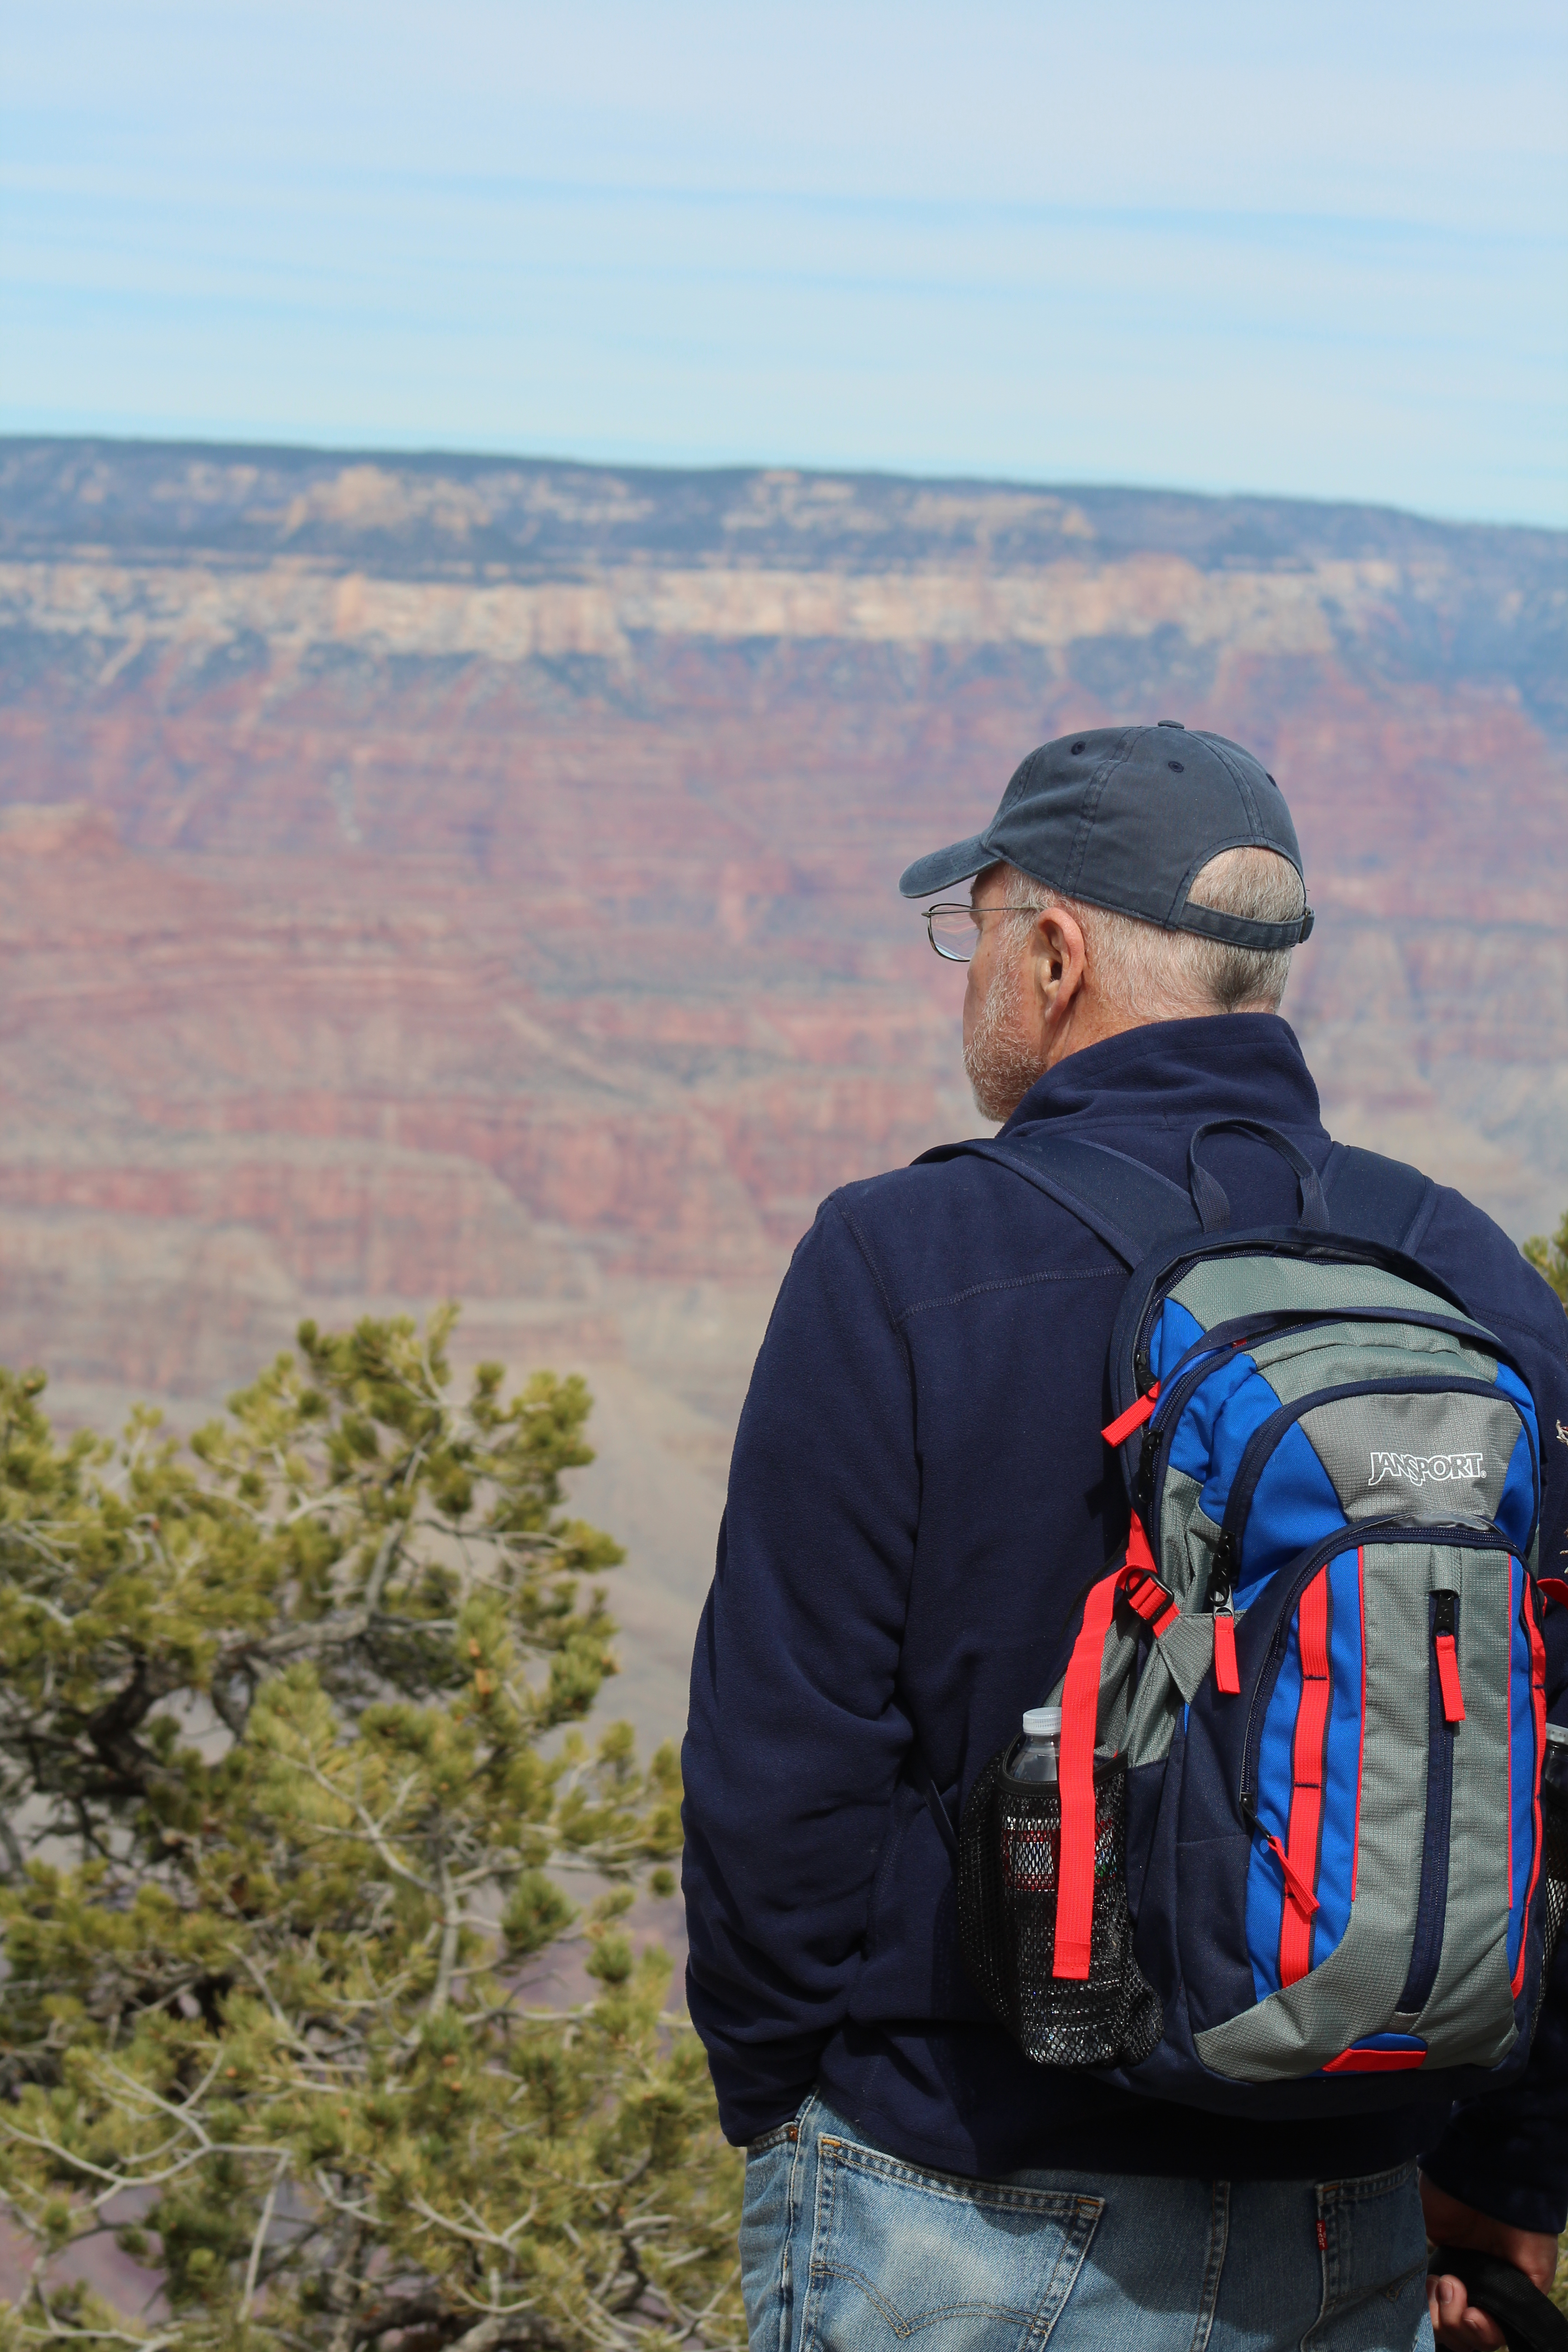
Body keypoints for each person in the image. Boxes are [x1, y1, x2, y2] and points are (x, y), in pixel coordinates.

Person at [681, 724, 1568, 2352]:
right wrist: (1507, 2171)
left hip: (951, 2188)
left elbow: (780, 1764)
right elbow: (1546, 1752)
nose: (972, 978)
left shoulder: (901, 1258)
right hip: (1352, 2203)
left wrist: (787, 2099)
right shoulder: (1470, 1278)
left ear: (1057, 953)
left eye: (977, 932)